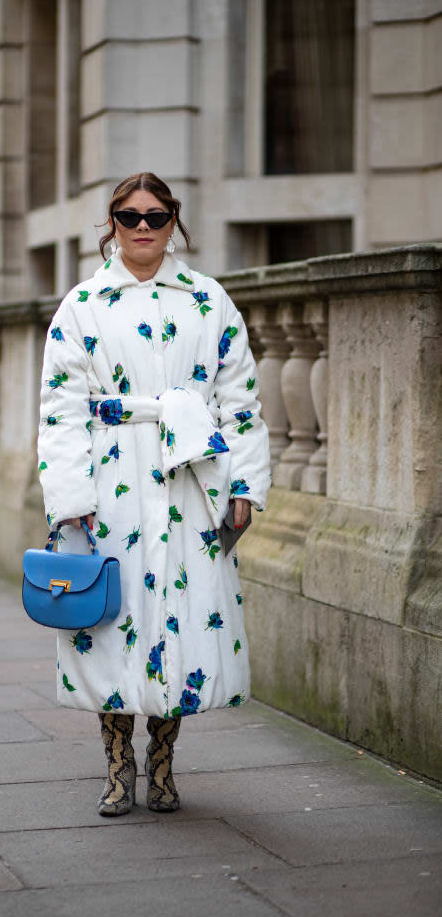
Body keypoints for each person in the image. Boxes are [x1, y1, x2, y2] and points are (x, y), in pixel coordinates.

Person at [37, 172, 271, 816]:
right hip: (111, 484)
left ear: (174, 222)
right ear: (111, 222)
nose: (144, 227)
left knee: (182, 623)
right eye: (131, 215)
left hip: (191, 484)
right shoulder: (82, 305)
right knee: (112, 622)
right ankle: (118, 770)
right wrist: (69, 495)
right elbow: (61, 410)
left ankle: (163, 768)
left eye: (157, 216)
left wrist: (245, 483)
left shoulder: (209, 300)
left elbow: (240, 400)